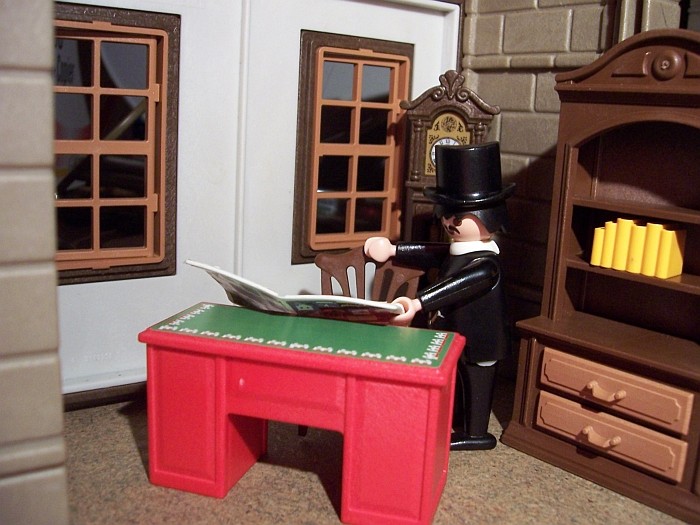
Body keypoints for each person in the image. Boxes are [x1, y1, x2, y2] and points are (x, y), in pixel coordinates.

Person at [364, 142, 514, 450]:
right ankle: (457, 420)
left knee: (477, 383)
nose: (449, 223)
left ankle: (476, 433)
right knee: (456, 381)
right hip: (455, 335)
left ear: (487, 215)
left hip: (480, 340)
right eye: (446, 216)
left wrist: (418, 302)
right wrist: (393, 250)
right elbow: (430, 251)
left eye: (458, 218)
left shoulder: (486, 265)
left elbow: (458, 285)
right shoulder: (458, 250)